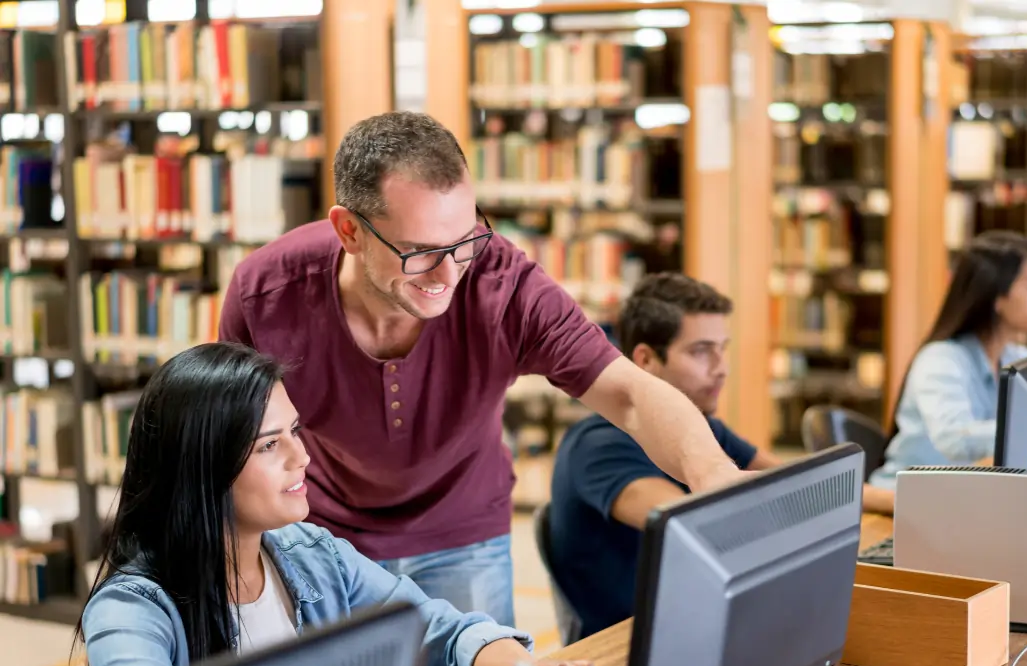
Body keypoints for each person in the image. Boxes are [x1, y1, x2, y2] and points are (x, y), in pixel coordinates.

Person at [218, 111, 746, 627]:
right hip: (325, 538)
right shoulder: (265, 292)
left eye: (465, 240)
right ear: (350, 230)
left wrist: (713, 475)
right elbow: (231, 443)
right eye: (420, 251)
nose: (449, 274)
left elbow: (630, 393)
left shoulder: (504, 283)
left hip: (465, 537)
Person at [76, 342, 594, 666]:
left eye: (296, 431)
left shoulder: (312, 554)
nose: (302, 457)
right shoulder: (131, 611)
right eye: (269, 445)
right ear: (202, 465)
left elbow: (433, 628)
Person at [548, 274, 896, 639]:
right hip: (633, 645)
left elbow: (792, 475)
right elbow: (697, 527)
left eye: (722, 348)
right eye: (701, 351)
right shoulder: (599, 445)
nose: (721, 367)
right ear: (647, 359)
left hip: (710, 618)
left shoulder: (701, 429)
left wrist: (902, 502)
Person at [869, 231, 1027, 489]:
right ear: (996, 295)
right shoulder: (940, 361)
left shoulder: (1017, 357)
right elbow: (955, 439)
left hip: (965, 496)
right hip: (903, 501)